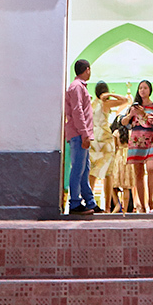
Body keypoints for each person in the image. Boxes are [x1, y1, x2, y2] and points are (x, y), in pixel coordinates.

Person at [89, 81, 132, 211]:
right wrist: (110, 95)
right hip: (106, 141)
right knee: (108, 174)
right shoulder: (106, 103)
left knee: (93, 173)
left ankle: (90, 202)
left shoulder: (92, 104)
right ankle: (107, 207)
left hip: (94, 140)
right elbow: (125, 100)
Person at [64, 58, 97, 216]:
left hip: (81, 134)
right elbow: (78, 111)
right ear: (87, 69)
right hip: (78, 134)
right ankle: (75, 203)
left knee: (84, 169)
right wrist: (84, 133)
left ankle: (89, 201)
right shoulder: (77, 87)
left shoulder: (79, 87)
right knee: (78, 169)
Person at [122, 79, 153, 213]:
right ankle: (142, 205)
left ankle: (150, 200)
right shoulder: (133, 107)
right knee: (138, 173)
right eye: (140, 88)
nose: (142, 90)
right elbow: (124, 122)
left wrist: (144, 114)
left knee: (151, 167)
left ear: (150, 90)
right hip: (136, 139)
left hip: (150, 138)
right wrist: (132, 114)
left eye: (145, 88)